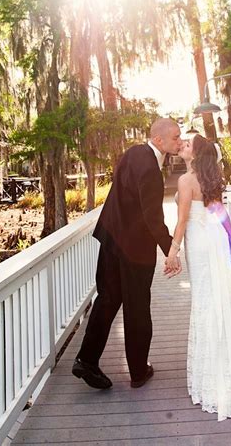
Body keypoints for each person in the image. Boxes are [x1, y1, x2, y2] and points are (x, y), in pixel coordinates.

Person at [165, 134, 231, 420]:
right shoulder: (209, 177)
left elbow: (183, 219)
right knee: (219, 299)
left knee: (205, 301)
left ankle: (213, 377)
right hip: (215, 240)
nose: (183, 145)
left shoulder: (187, 181)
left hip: (199, 243)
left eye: (187, 144)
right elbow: (220, 212)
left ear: (196, 154)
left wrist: (172, 251)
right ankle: (224, 367)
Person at [73, 117, 182, 390]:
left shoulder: (132, 153)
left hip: (111, 240)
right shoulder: (151, 170)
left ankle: (86, 360)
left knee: (107, 300)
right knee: (137, 310)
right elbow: (152, 216)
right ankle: (138, 371)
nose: (179, 142)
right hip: (134, 251)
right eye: (175, 137)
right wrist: (170, 249)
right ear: (159, 139)